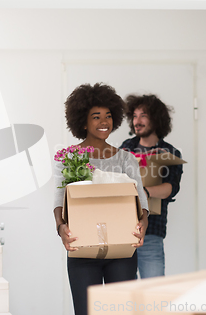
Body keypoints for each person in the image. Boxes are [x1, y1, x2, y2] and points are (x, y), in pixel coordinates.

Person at [53, 83, 149, 315]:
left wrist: (142, 225)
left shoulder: (126, 159)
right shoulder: (68, 159)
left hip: (122, 252)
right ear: (83, 122)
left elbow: (142, 204)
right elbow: (59, 201)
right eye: (96, 117)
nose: (104, 122)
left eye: (108, 116)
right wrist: (61, 228)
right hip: (82, 251)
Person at [119, 94, 183, 279]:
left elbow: (171, 188)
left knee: (153, 295)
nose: (137, 121)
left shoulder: (169, 152)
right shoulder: (125, 149)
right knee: (124, 294)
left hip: (152, 232)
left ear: (156, 119)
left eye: (143, 115)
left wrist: (144, 192)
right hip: (122, 230)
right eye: (135, 116)